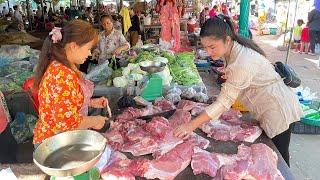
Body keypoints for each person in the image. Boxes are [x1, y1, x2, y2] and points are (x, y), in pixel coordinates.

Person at [174, 15, 303, 167]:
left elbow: (224, 102)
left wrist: (190, 125)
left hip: (279, 109)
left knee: (279, 159)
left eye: (212, 47)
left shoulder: (242, 61)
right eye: (205, 47)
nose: (208, 52)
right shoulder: (233, 50)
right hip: (269, 105)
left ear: (227, 40)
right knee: (273, 157)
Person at [32, 20, 108, 145]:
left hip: (62, 139)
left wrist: (90, 103)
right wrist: (95, 121)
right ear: (73, 46)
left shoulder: (64, 65)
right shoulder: (61, 75)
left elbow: (65, 102)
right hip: (54, 144)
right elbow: (66, 124)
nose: (89, 54)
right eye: (88, 48)